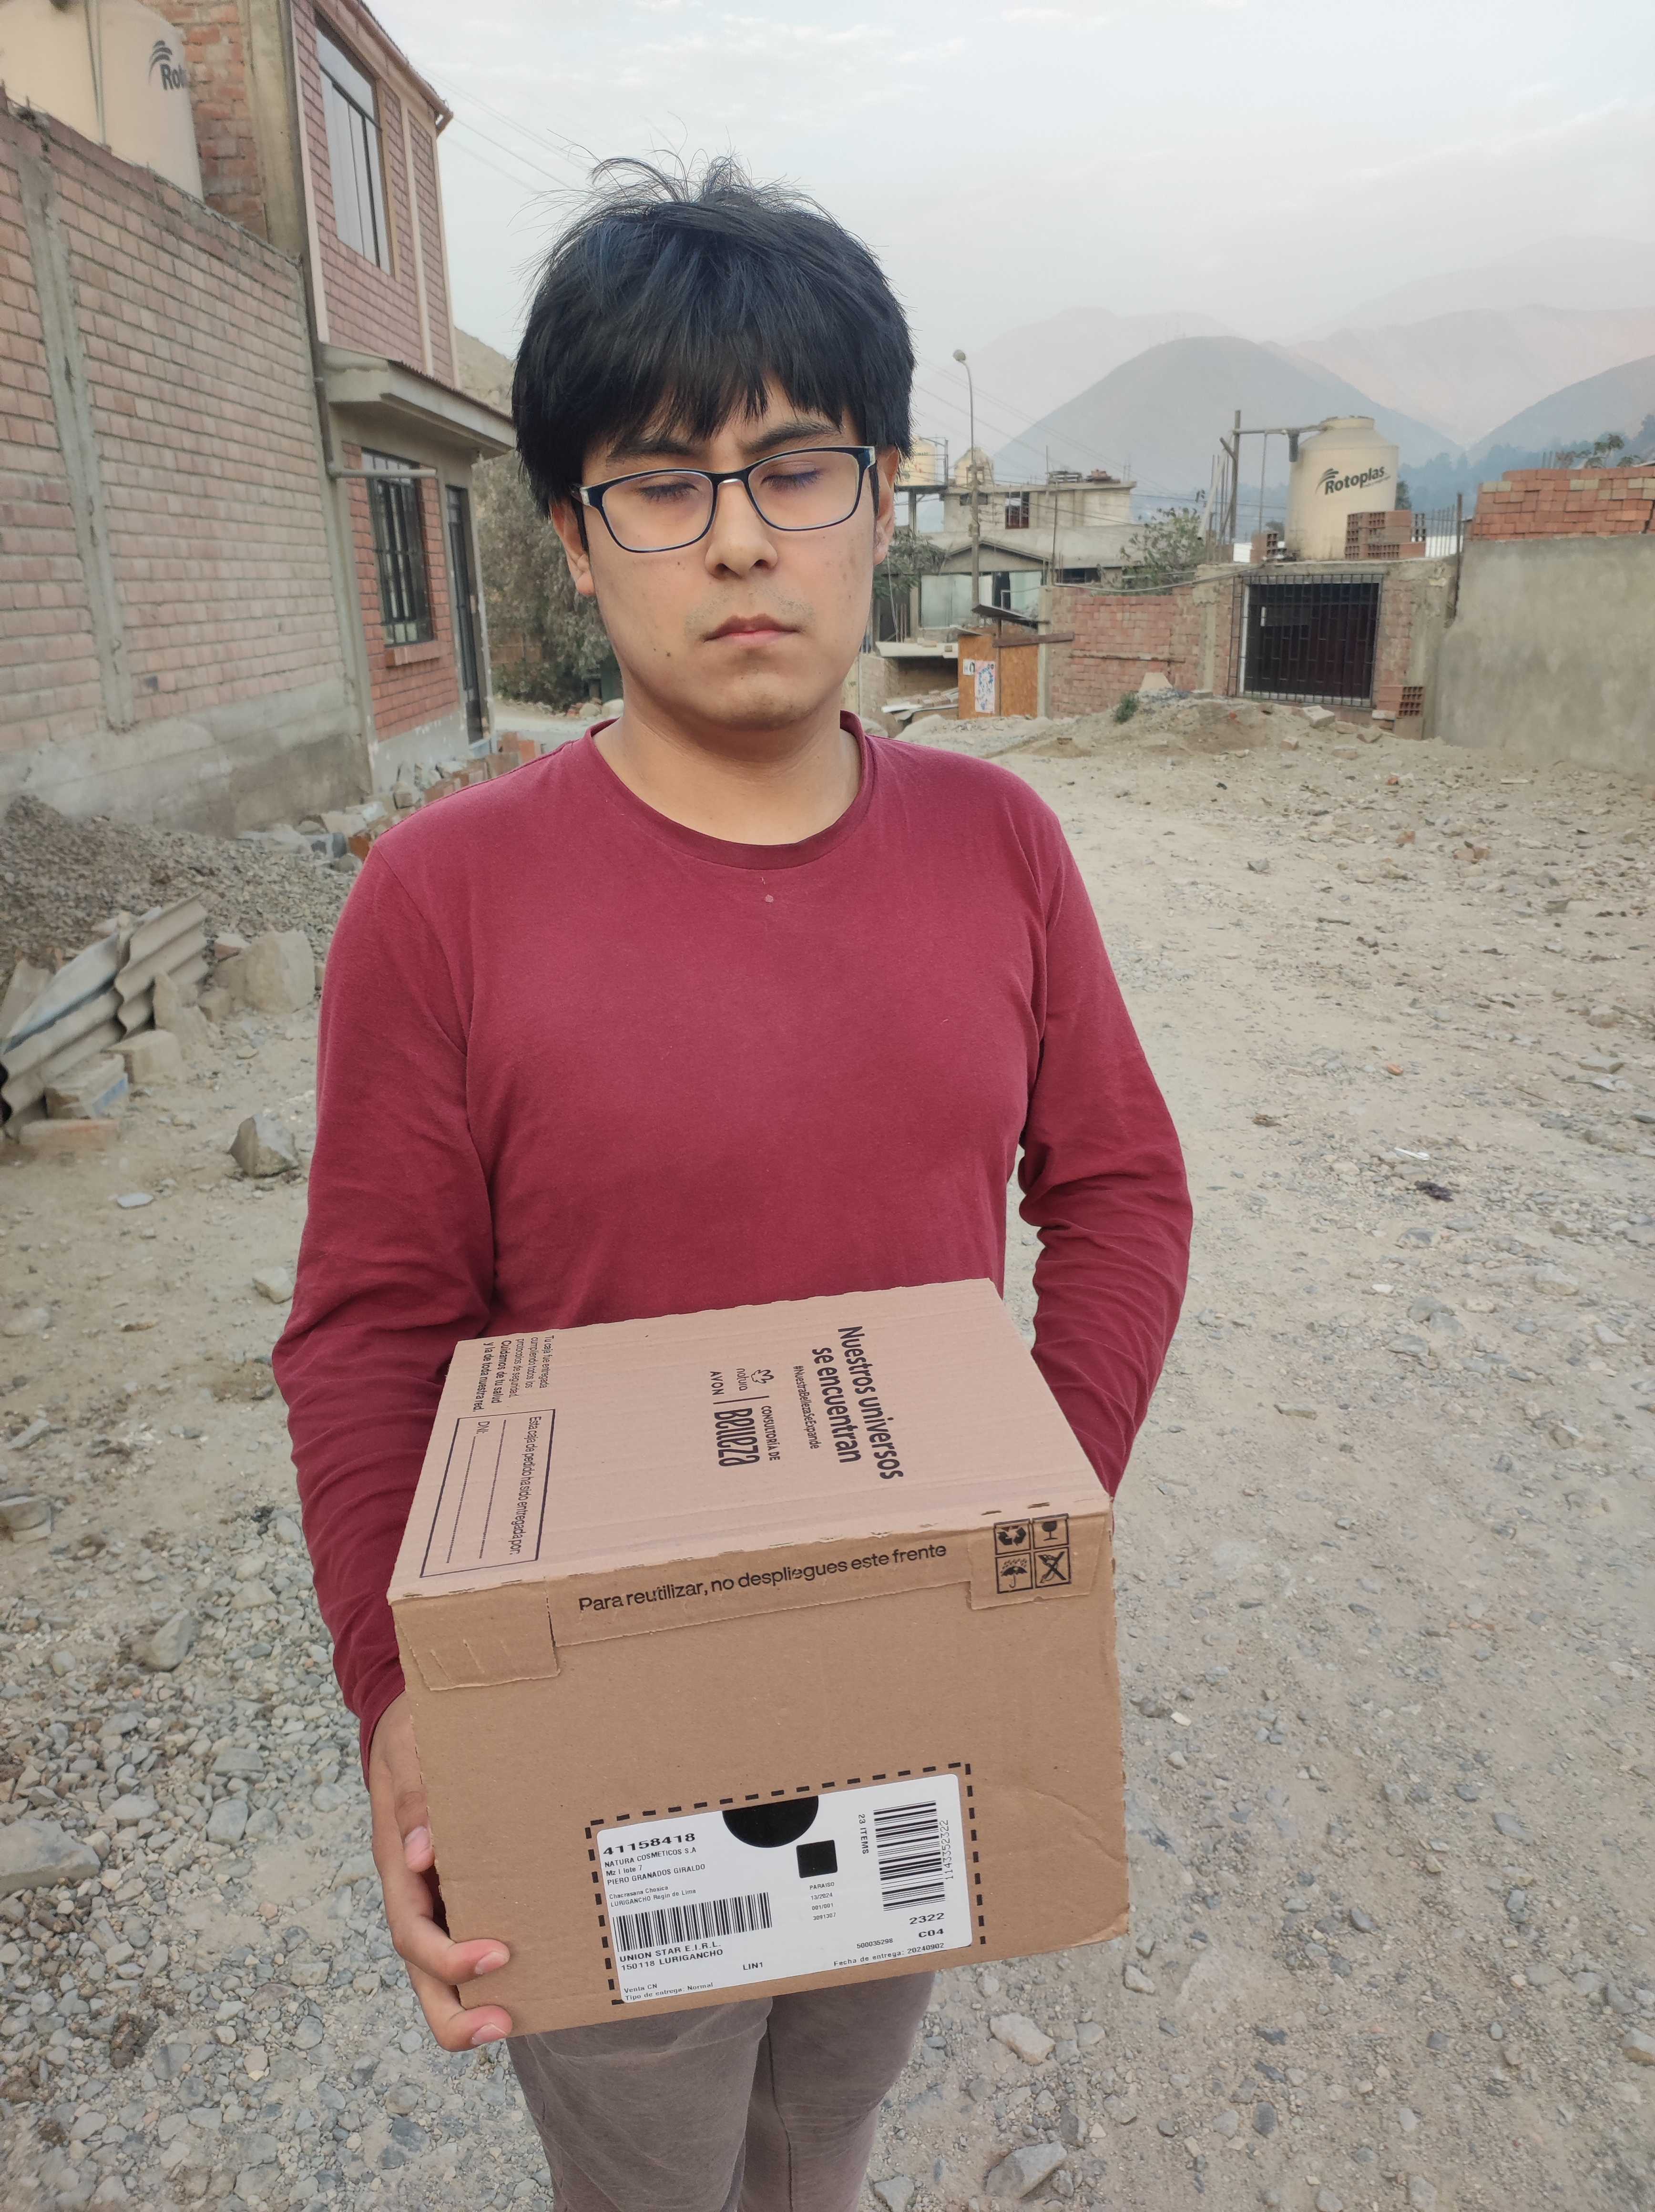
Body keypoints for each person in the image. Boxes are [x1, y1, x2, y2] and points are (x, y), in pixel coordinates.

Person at [274, 155, 1191, 2212]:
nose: (743, 539)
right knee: (645, 2153)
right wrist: (403, 1695)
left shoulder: (1000, 850)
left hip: (910, 1695)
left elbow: (1124, 1187)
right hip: (598, 1728)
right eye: (662, 484)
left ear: (882, 494)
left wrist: (1025, 1519)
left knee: (830, 2119)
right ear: (570, 539)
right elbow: (370, 1331)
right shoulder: (443, 898)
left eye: (796, 467)